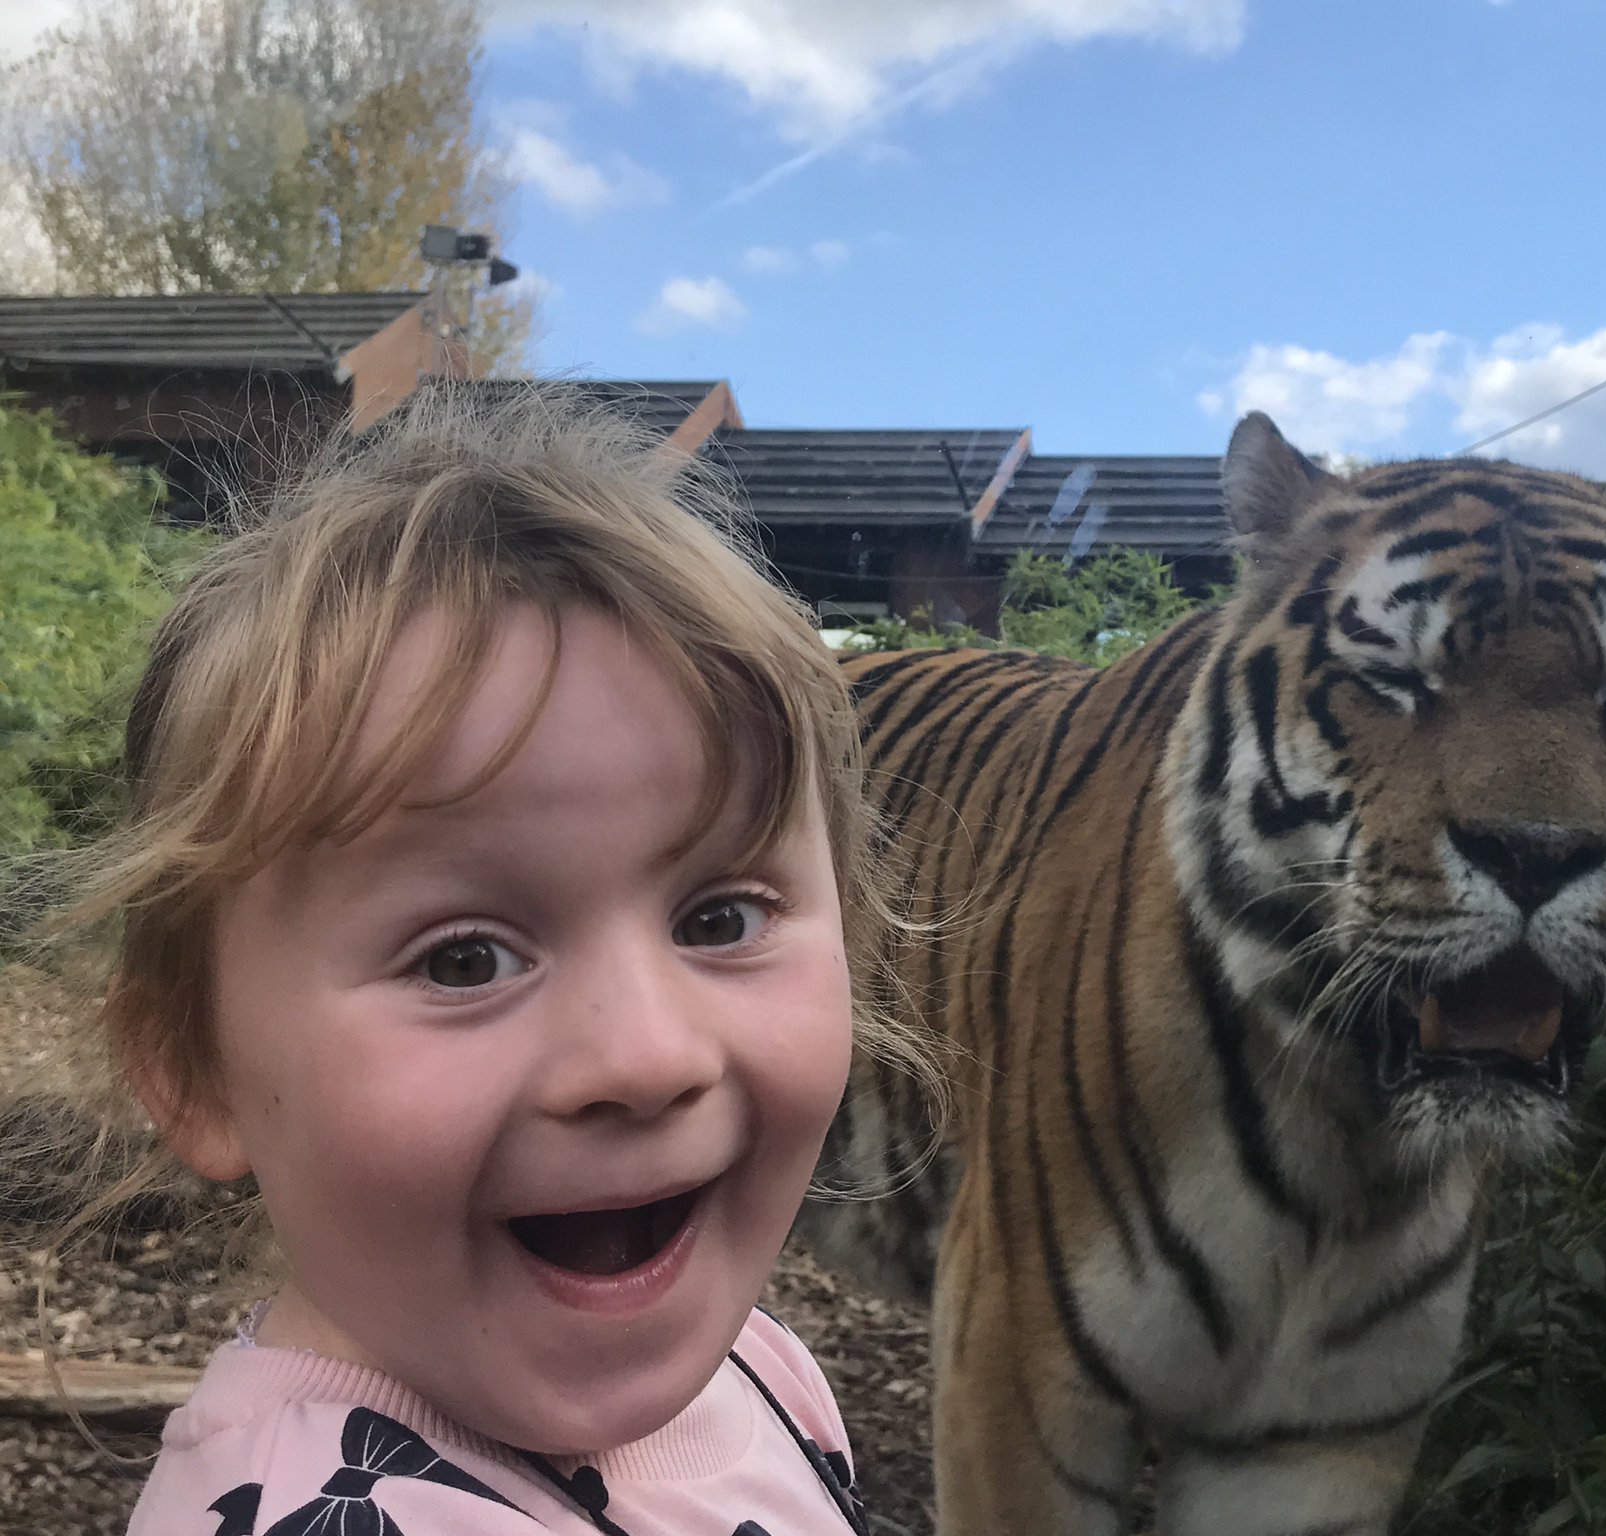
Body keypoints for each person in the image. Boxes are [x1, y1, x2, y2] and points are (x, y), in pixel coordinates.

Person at [42, 387, 936, 1535]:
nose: (646, 1057)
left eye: (720, 921)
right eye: (464, 960)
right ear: (194, 1070)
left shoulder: (755, 1366)